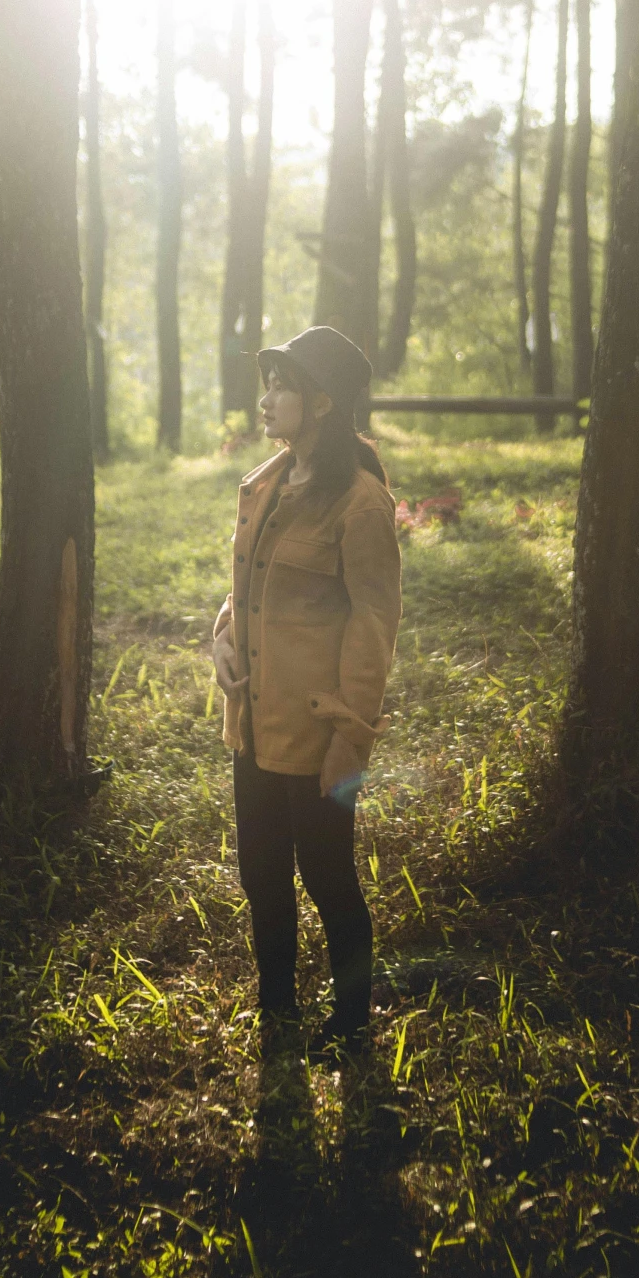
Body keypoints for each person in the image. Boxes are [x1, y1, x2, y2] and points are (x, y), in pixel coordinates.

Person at [211, 326, 403, 1054]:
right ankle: (276, 1009)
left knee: (328, 877)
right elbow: (245, 586)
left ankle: (352, 1023)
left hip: (321, 733)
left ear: (322, 403)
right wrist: (221, 639)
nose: (265, 400)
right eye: (267, 384)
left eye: (281, 387)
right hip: (254, 723)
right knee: (261, 873)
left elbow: (374, 625)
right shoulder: (264, 482)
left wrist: (350, 738)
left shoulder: (359, 505)